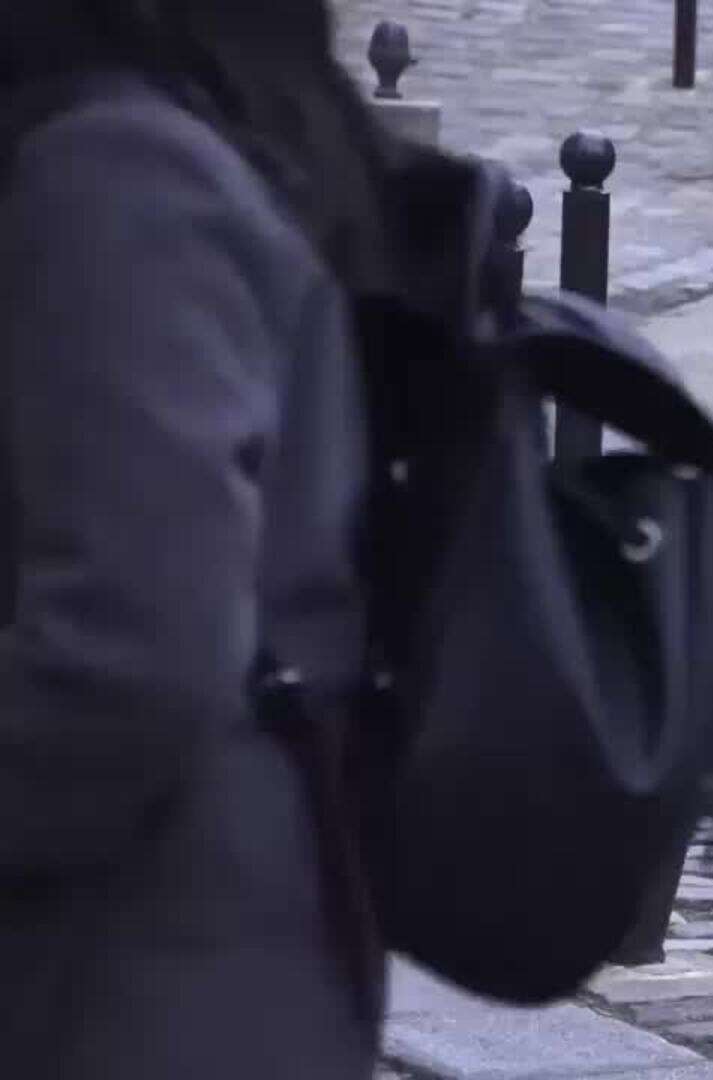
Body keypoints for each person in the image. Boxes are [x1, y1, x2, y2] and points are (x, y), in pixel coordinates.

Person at [0, 2, 388, 1076]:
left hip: (133, 972)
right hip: (212, 946)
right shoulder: (201, 136)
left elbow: (133, 651)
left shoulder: (115, 172)